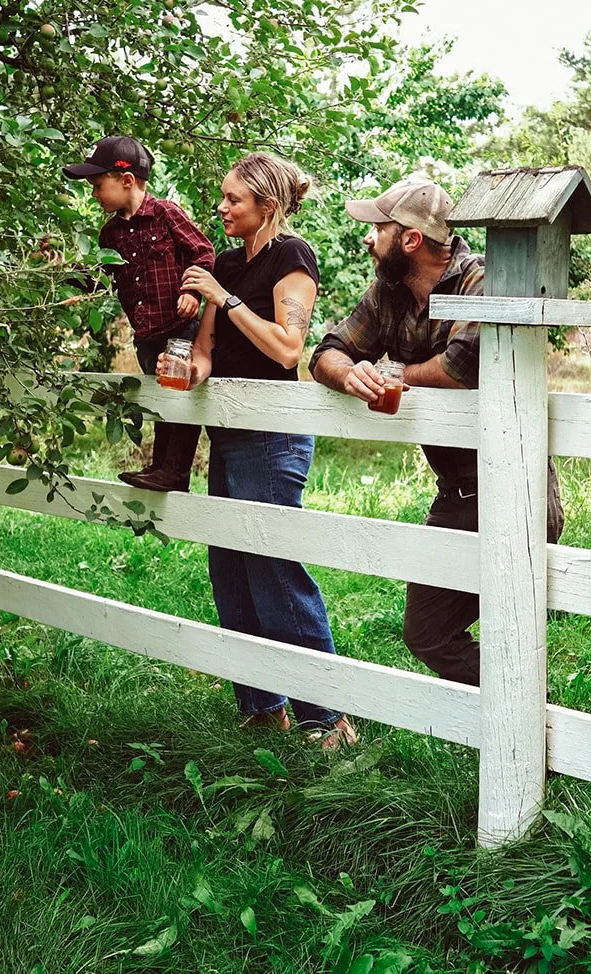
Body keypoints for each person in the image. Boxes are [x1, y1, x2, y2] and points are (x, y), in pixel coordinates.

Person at [309, 179, 565, 686]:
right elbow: (327, 351)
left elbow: (460, 367)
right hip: (456, 495)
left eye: (377, 229)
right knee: (426, 633)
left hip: (516, 490)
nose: (367, 239)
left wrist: (393, 372)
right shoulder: (389, 294)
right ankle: (519, 715)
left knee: (509, 618)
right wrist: (350, 374)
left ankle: (529, 720)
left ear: (409, 240)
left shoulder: (481, 279)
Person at [178, 152, 357, 748]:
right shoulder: (226, 263)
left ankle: (327, 719)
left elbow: (287, 348)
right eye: (223, 197)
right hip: (227, 431)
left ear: (268, 205)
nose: (221, 208)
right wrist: (188, 369)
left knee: (275, 571)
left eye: (233, 199)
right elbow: (206, 350)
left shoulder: (292, 256)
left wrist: (225, 298)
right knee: (230, 569)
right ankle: (261, 707)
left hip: (273, 436)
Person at [63, 136, 213, 492]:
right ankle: (160, 467)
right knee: (163, 401)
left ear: (127, 180)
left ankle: (174, 471)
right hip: (146, 335)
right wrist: (62, 274)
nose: (94, 194)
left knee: (179, 396)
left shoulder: (166, 214)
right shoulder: (110, 234)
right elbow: (102, 278)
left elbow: (203, 252)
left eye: (98, 185)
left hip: (180, 327)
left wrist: (192, 291)